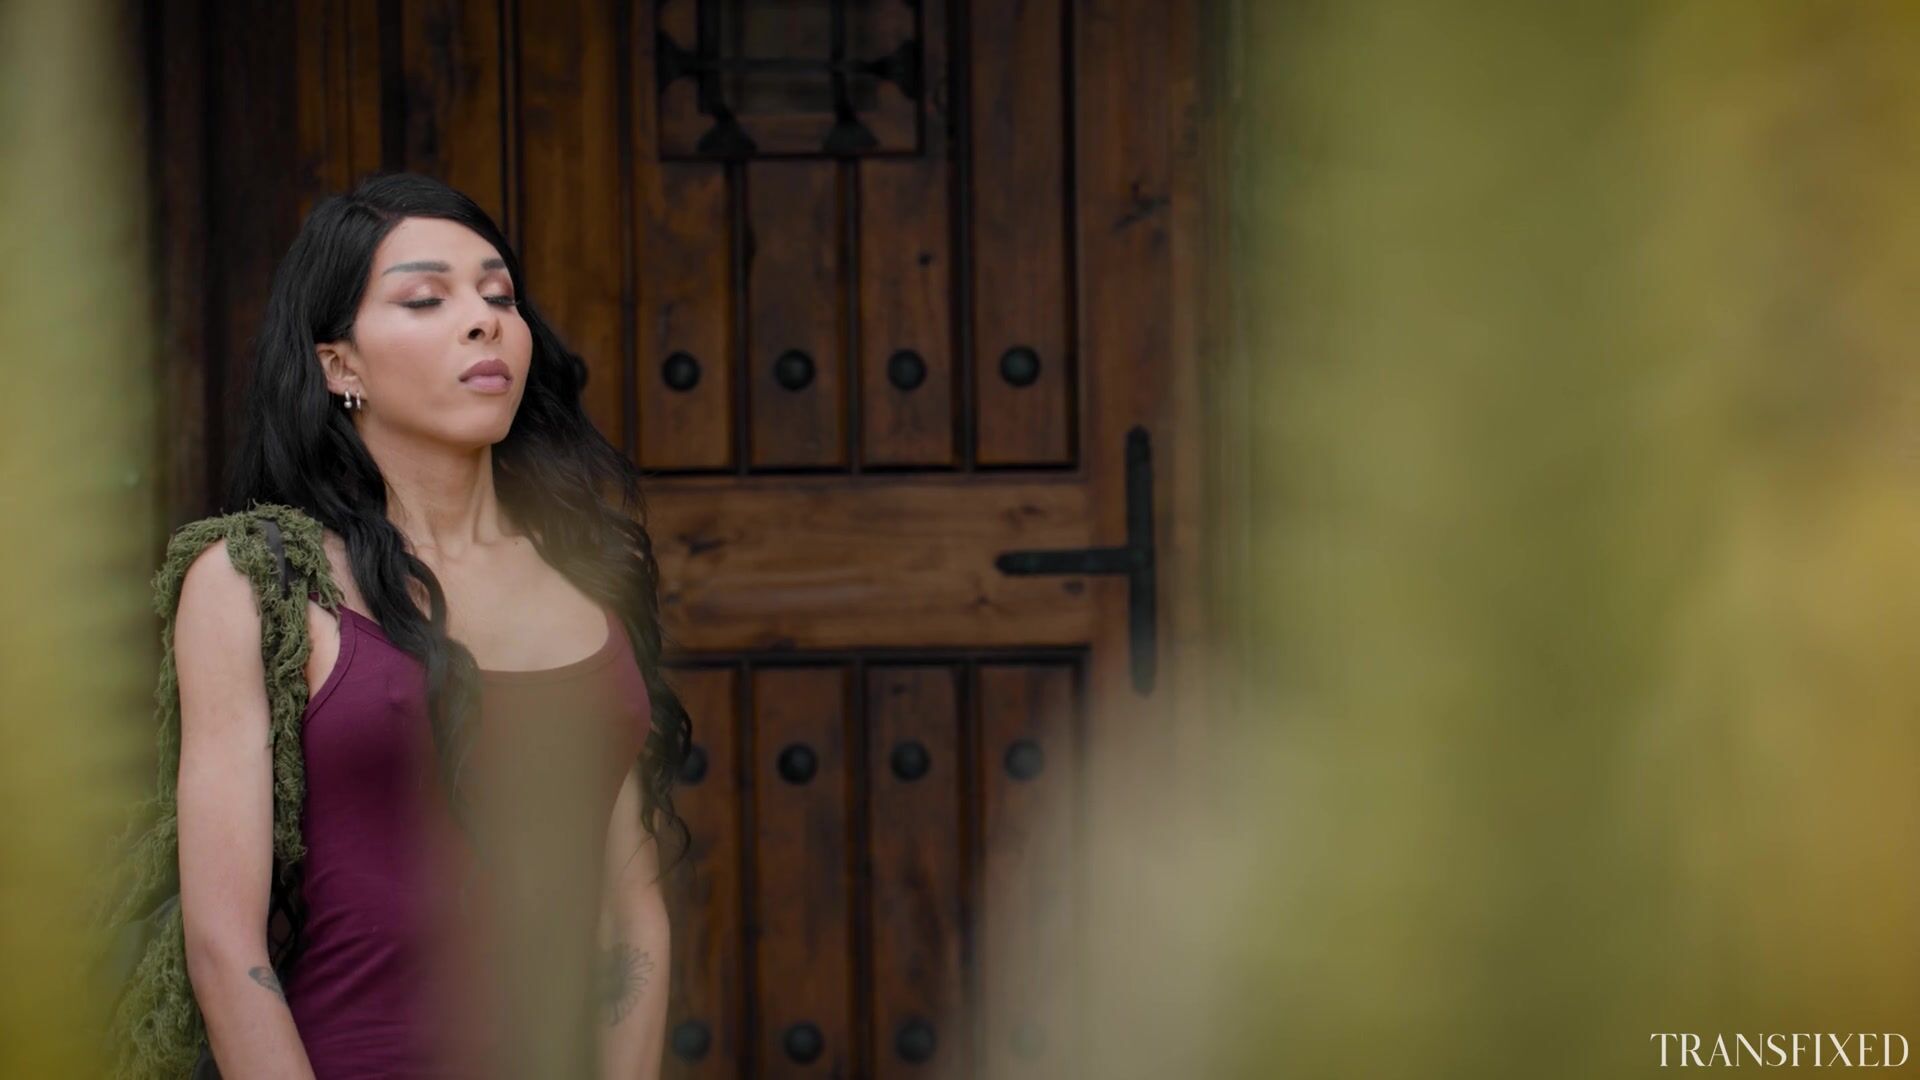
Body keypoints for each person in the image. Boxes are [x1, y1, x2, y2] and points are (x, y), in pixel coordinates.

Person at [169, 172, 689, 1078]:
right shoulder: (256, 581)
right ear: (340, 366)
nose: (485, 320)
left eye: (500, 296)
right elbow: (225, 945)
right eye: (425, 299)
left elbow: (629, 912)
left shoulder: (591, 574)